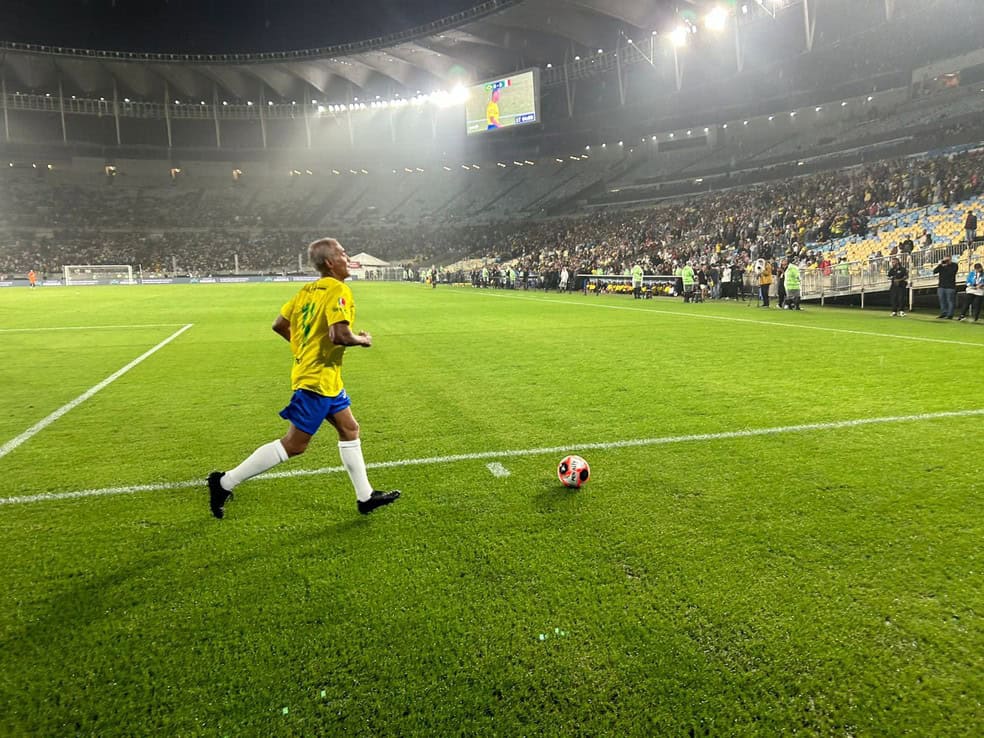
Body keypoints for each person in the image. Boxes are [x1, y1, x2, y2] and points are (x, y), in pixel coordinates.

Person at [207, 237, 401, 519]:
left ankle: (365, 496)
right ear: (330, 263)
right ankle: (224, 482)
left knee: (349, 429)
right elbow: (339, 335)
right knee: (295, 444)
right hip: (317, 380)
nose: (348, 258)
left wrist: (303, 348)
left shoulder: (306, 291)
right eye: (343, 253)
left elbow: (279, 324)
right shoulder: (338, 289)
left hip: (326, 377)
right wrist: (363, 340)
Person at [933, 254, 958, 319]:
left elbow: (951, 273)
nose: (946, 261)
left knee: (950, 301)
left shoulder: (954, 265)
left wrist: (946, 266)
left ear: (950, 259)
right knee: (942, 300)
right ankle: (943, 313)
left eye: (947, 260)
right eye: (945, 260)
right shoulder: (941, 266)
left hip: (950, 286)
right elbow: (934, 271)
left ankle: (950, 314)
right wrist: (940, 265)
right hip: (941, 286)